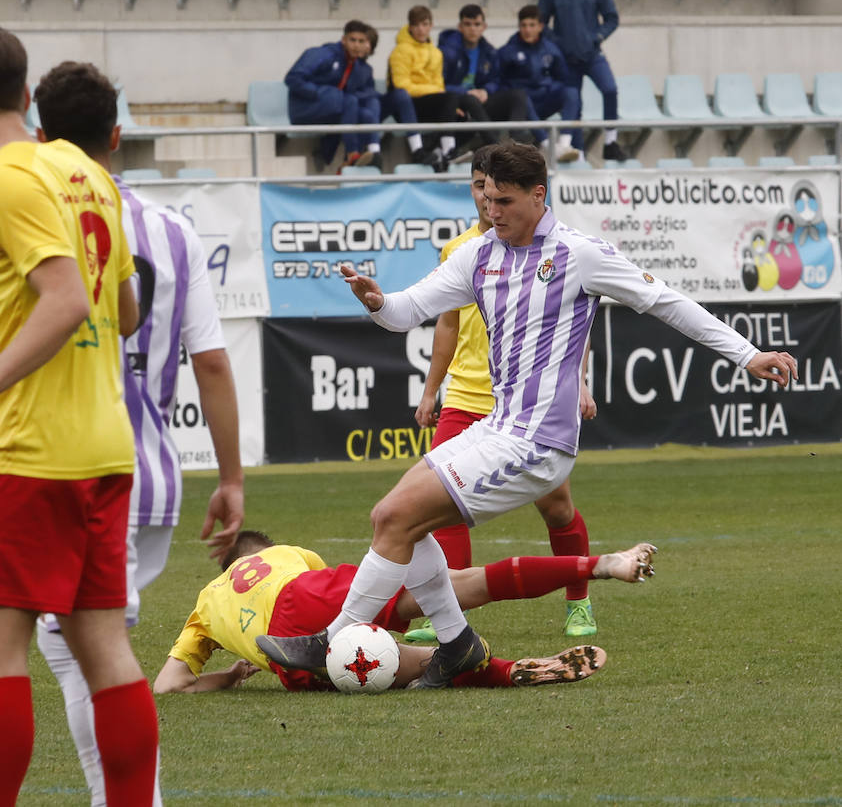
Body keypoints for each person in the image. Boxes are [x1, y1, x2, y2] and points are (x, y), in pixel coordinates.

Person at [257, 141, 798, 692]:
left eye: (506, 201)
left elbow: (665, 302)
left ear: (539, 196)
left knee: (397, 517)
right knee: (393, 518)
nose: (493, 211)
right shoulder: (476, 255)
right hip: (497, 428)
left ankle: (333, 639)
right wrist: (376, 301)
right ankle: (458, 643)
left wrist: (747, 354)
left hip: (539, 443)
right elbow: (406, 313)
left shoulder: (579, 254)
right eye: (487, 198)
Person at [32, 60, 244, 807]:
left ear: (38, 131)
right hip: (148, 468)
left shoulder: (33, 202)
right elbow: (211, 364)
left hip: (60, 459)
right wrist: (232, 477)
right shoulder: (173, 231)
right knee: (89, 644)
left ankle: (130, 799)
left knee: (73, 647)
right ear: (117, 136)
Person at [0, 30, 158, 806]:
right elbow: (124, 313)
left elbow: (65, 303)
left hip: (29, 448)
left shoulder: (10, 177)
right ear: (25, 94)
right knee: (104, 647)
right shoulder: (91, 179)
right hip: (103, 443)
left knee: (4, 648)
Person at [410, 145, 597, 644]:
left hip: (526, 406)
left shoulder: (560, 252)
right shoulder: (462, 252)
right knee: (435, 507)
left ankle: (578, 599)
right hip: (466, 396)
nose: (487, 201)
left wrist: (580, 381)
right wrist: (432, 390)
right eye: (478, 189)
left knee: (556, 509)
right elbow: (445, 325)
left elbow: (570, 325)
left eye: (494, 192)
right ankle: (445, 614)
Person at [155, 530, 656, 694]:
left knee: (401, 659)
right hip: (308, 595)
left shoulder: (203, 609)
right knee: (464, 584)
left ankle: (503, 670)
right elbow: (355, 609)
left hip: (291, 667)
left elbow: (169, 687)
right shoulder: (284, 554)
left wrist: (230, 673)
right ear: (257, 552)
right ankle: (599, 565)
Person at [538, 0, 627, 162]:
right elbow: (540, 23)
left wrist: (597, 37)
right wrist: (557, 43)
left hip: (592, 54)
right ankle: (578, 155)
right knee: (574, 105)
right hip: (567, 59)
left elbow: (612, 18)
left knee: (610, 89)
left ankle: (611, 141)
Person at [388, 5, 499, 170]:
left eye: (424, 24)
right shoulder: (400, 51)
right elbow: (403, 85)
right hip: (407, 104)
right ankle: (437, 150)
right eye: (416, 25)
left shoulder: (435, 52)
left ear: (431, 26)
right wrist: (437, 92)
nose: (420, 29)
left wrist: (449, 104)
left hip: (427, 102)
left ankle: (444, 151)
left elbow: (439, 84)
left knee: (462, 112)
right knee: (448, 97)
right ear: (410, 26)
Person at [285, 19, 383, 171]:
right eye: (352, 40)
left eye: (361, 41)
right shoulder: (324, 54)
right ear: (343, 40)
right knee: (349, 101)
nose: (356, 45)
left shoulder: (355, 65)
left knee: (365, 115)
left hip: (329, 110)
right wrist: (320, 93)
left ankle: (346, 163)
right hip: (303, 110)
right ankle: (351, 154)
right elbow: (292, 78)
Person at [438, 5, 533, 150]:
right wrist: (465, 92)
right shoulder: (446, 52)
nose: (473, 29)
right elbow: (438, 84)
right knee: (471, 101)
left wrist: (486, 91)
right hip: (455, 104)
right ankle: (496, 148)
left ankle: (517, 143)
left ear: (484, 27)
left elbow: (495, 80)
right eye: (468, 24)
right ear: (460, 27)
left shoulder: (489, 52)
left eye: (477, 24)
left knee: (518, 95)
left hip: (480, 103)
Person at [498, 5, 582, 164]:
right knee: (522, 96)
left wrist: (549, 86)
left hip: (543, 101)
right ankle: (548, 146)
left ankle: (564, 144)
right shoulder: (508, 51)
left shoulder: (550, 49)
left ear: (540, 27)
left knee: (571, 92)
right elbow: (499, 81)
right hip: (520, 107)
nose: (527, 30)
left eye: (532, 25)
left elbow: (563, 76)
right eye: (523, 25)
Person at [360, 24, 439, 169]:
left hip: (371, 113)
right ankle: (374, 153)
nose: (362, 46)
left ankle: (417, 150)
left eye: (366, 42)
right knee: (372, 103)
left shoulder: (366, 68)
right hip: (354, 114)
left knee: (399, 95)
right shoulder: (341, 64)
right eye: (357, 41)